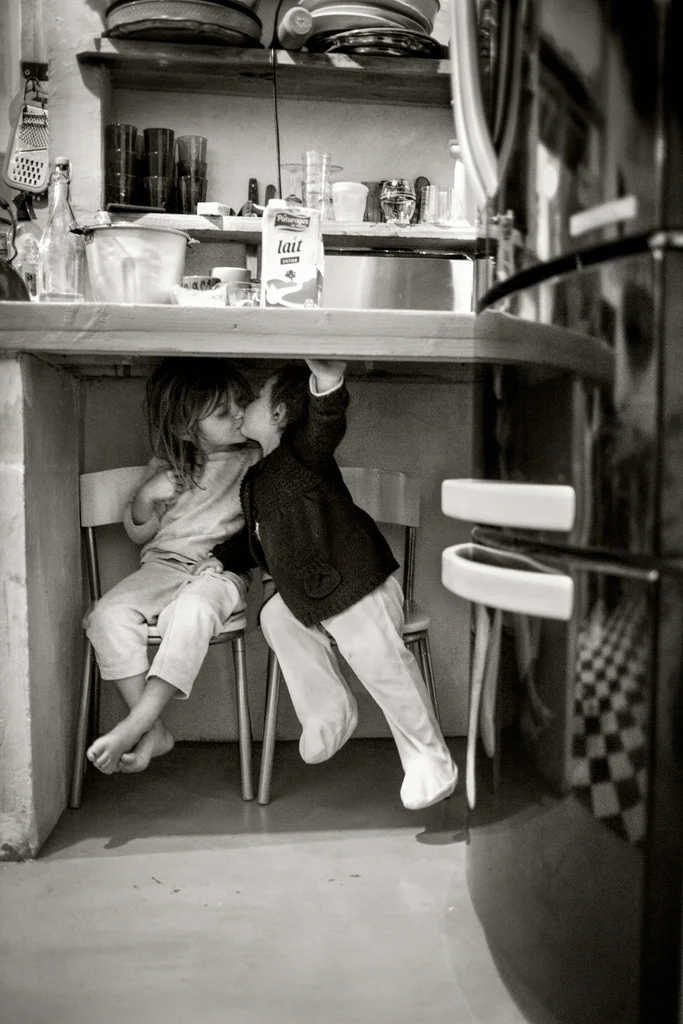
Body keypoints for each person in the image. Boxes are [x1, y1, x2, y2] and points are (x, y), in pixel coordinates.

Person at [208, 359, 458, 811]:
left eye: (257, 396)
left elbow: (326, 422)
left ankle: (429, 758)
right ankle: (329, 710)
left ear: (282, 413)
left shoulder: (303, 454)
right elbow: (257, 544)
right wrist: (215, 559)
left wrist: (326, 384)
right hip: (314, 598)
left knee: (377, 656)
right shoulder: (258, 479)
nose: (246, 403)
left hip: (360, 584)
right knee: (274, 618)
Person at [84, 357, 260, 775]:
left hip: (219, 573)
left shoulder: (255, 460)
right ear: (185, 429)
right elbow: (139, 533)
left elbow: (263, 528)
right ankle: (155, 730)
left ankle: (137, 724)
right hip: (162, 567)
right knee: (105, 616)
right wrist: (146, 496)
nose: (238, 413)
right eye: (222, 412)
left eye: (241, 402)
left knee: (194, 611)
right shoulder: (169, 464)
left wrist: (221, 564)